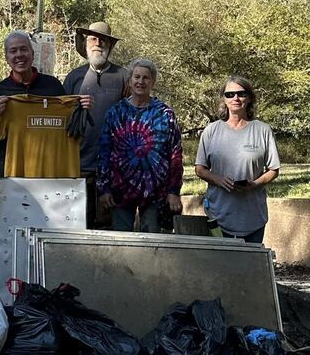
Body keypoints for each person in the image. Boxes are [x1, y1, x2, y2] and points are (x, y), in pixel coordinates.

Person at [0, 30, 92, 178]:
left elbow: (73, 129)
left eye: (24, 49)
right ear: (7, 58)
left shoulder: (53, 86)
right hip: (13, 178)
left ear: (32, 54)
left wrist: (80, 107)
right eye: (13, 51)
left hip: (51, 175)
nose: (19, 55)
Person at [97, 58, 183, 232]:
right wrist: (103, 188)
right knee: (122, 245)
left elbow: (175, 154)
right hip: (120, 191)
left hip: (156, 192)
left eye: (146, 78)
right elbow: (104, 152)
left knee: (153, 246)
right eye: (137, 77)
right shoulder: (116, 112)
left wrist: (174, 191)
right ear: (130, 81)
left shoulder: (165, 114)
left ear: (153, 82)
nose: (140, 82)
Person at [195, 75, 280, 243]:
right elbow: (199, 168)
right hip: (218, 217)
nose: (235, 98)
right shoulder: (211, 131)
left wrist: (255, 184)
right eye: (229, 94)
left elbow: (273, 170)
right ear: (224, 100)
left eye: (241, 94)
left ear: (248, 98)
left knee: (249, 268)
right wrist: (218, 179)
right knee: (221, 267)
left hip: (253, 217)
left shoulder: (263, 130)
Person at [64, 21, 128, 226]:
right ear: (85, 43)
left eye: (103, 40)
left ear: (109, 45)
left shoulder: (123, 76)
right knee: (78, 223)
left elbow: (133, 116)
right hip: (78, 164)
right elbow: (61, 117)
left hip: (113, 167)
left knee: (108, 226)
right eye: (92, 38)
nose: (97, 43)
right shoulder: (74, 77)